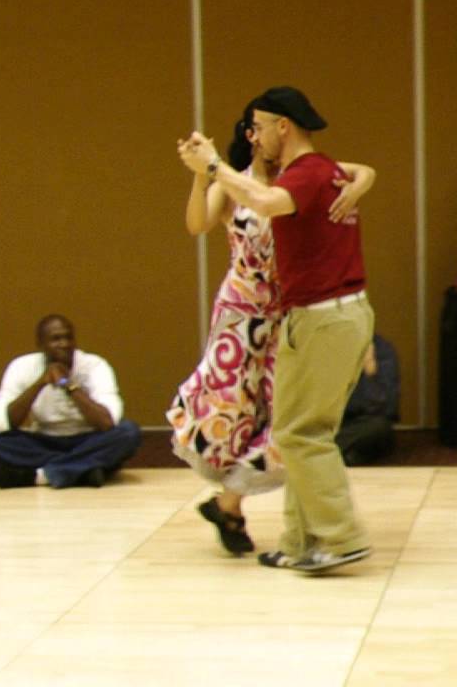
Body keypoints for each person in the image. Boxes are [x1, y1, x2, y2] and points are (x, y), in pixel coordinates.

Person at [178, 86, 375, 573]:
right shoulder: (310, 172)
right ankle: (298, 539)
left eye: (260, 127)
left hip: (311, 316)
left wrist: (211, 165)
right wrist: (207, 174)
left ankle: (338, 536)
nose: (255, 136)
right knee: (288, 428)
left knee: (298, 434)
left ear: (281, 127)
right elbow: (203, 220)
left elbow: (267, 202)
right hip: (271, 315)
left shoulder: (303, 175)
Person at [0, 314, 140, 488]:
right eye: (56, 339)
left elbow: (107, 422)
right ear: (40, 344)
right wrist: (40, 383)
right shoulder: (21, 366)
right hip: (42, 441)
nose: (65, 344)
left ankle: (39, 476)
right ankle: (81, 469)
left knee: (128, 433)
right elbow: (1, 421)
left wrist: (69, 385)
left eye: (69, 338)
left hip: (88, 439)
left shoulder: (95, 366)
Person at [337, 334, 399, 466]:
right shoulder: (324, 347)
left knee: (379, 428)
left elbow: (387, 408)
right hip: (328, 422)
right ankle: (342, 456)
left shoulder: (381, 350)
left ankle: (325, 454)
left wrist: (369, 372)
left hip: (360, 422)